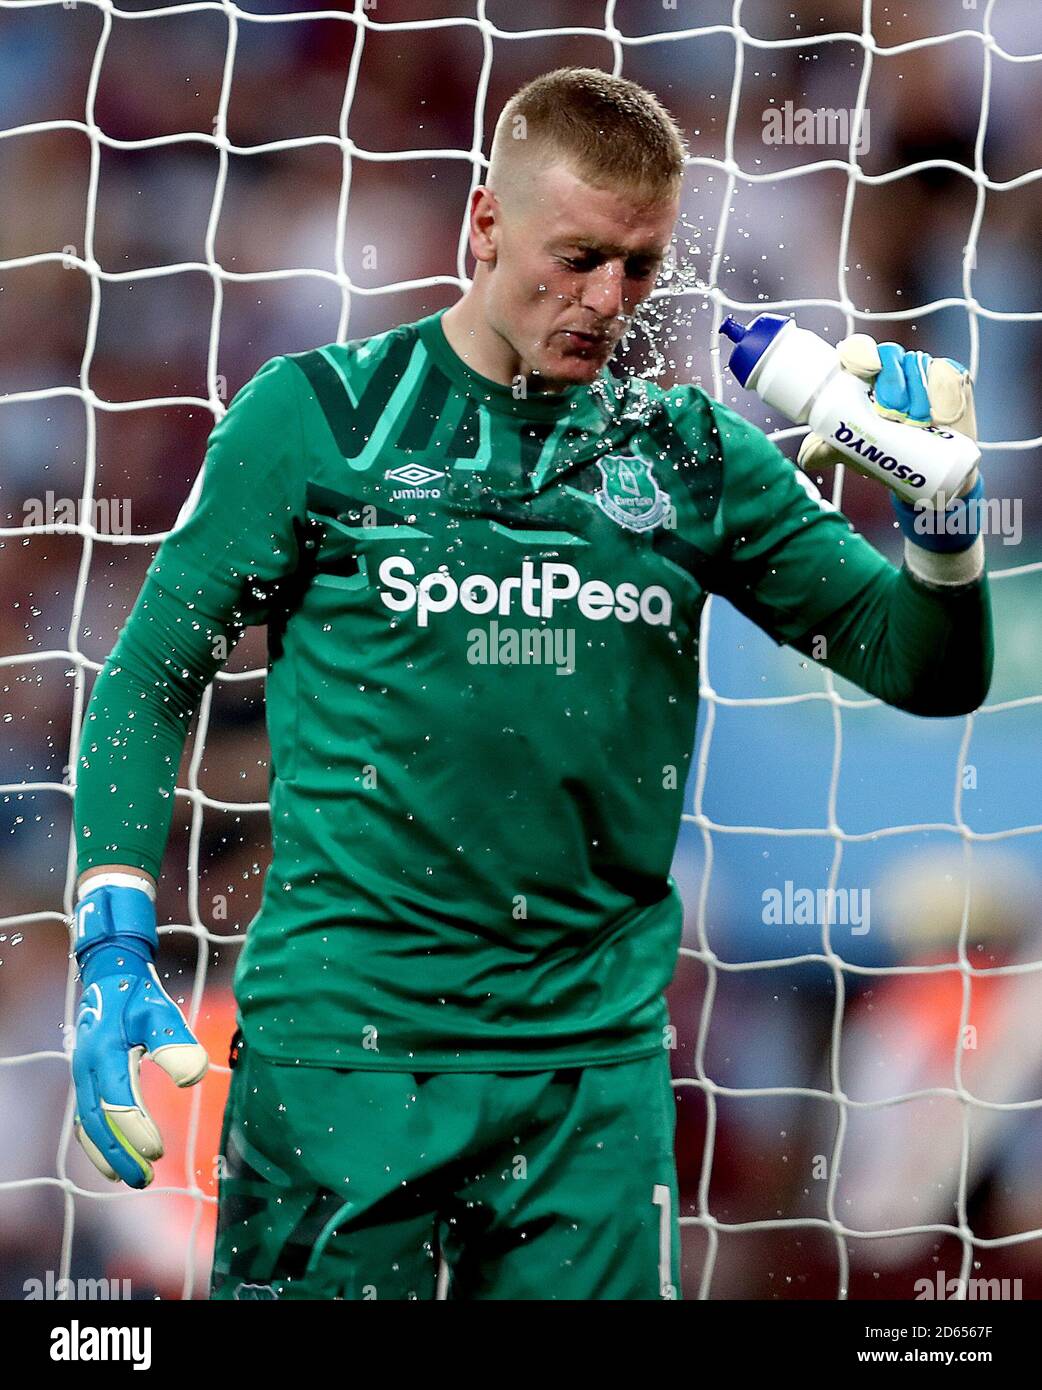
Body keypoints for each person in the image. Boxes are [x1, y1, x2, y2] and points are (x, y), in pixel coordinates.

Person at [70, 67, 993, 1301]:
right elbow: (147, 674)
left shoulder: (691, 458)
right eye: (575, 258)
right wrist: (114, 933)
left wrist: (943, 523)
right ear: (485, 223)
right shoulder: (317, 420)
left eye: (638, 268)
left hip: (589, 1081)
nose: (605, 301)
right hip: (346, 1059)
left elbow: (927, 672)